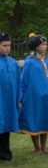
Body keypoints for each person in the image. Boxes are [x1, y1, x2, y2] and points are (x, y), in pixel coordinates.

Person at [19, 34, 48, 154]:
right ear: (36, 47)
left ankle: (44, 146)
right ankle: (37, 147)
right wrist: (21, 98)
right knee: (35, 120)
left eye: (46, 44)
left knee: (45, 119)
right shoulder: (30, 62)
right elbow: (24, 81)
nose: (46, 46)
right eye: (43, 44)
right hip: (34, 97)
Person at [0, 32, 21, 161]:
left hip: (9, 100)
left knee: (6, 126)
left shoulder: (13, 62)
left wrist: (19, 98)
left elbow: (19, 81)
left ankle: (5, 152)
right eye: (4, 45)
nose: (7, 48)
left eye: (9, 45)